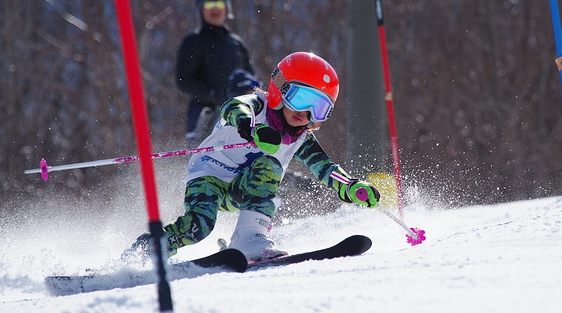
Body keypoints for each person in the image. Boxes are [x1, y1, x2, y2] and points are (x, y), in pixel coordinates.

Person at [126, 52, 381, 262]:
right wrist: (251, 128)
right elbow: (233, 107)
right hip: (210, 175)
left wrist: (350, 186)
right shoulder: (258, 106)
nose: (306, 112)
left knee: (269, 165)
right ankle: (147, 251)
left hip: (242, 188)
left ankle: (250, 237)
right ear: (280, 89)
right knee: (199, 226)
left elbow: (324, 167)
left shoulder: (300, 136)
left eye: (319, 107)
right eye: (301, 98)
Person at [176, 0, 260, 147]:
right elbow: (183, 80)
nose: (214, 9)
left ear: (226, 8)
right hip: (204, 114)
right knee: (206, 158)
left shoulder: (236, 43)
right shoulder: (194, 41)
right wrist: (214, 95)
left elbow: (250, 76)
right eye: (209, 4)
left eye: (218, 3)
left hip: (239, 113)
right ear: (201, 9)